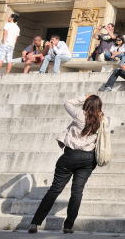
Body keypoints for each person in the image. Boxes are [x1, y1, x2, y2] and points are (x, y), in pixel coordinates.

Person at [28, 95, 104, 234]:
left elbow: (67, 102)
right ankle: (68, 226)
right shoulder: (102, 119)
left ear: (87, 103)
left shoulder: (80, 115)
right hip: (88, 159)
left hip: (70, 156)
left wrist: (84, 97)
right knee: (77, 192)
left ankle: (35, 223)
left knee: (55, 189)